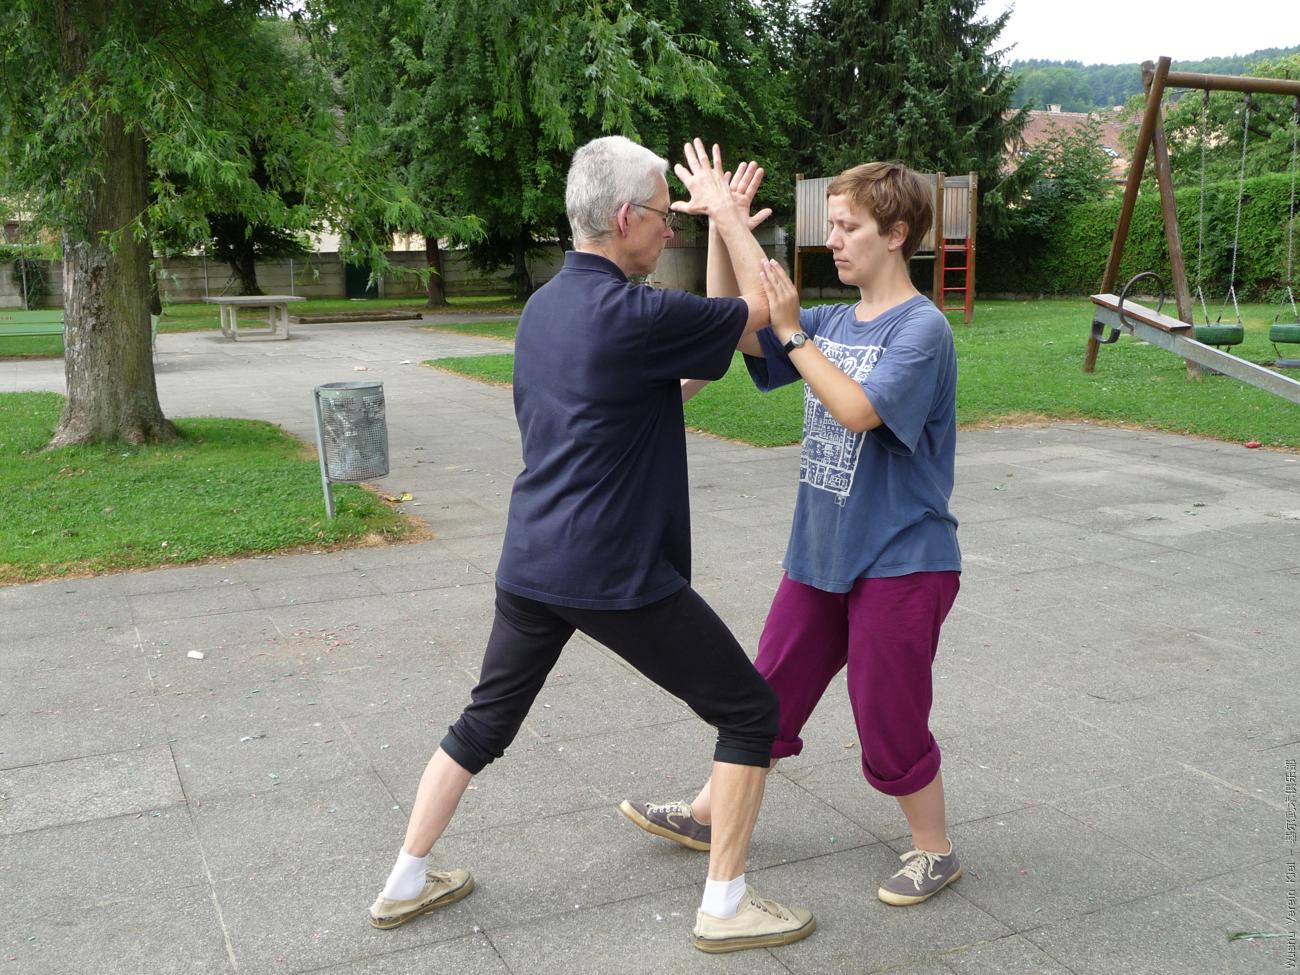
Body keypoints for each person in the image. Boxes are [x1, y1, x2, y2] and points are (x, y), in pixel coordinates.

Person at [366, 136, 816, 954]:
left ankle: (402, 881)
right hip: (612, 570)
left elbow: (693, 373)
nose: (668, 231)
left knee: (483, 722)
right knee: (751, 710)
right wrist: (725, 216)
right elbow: (768, 307)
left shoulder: (546, 308)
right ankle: (725, 905)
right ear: (622, 218)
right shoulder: (637, 314)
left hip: (532, 560)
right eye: (661, 216)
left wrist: (718, 227)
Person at [620, 160, 964, 908]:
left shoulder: (923, 329)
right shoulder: (834, 323)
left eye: (850, 227)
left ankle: (934, 847)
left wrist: (792, 332)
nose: (834, 240)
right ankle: (711, 814)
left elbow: (859, 409)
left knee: (887, 715)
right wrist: (723, 225)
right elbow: (733, 322)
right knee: (761, 692)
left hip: (902, 560)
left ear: (897, 233)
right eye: (831, 226)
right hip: (820, 555)